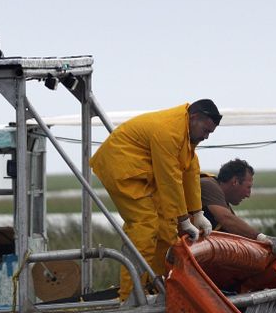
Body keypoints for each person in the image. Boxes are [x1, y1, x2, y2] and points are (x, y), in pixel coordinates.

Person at [90, 99, 221, 300]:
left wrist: (198, 213)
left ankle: (156, 285)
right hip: (122, 168)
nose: (206, 136)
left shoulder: (185, 135)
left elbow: (189, 171)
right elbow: (169, 179)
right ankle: (130, 295)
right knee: (145, 225)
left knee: (167, 228)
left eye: (209, 133)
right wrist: (184, 220)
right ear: (194, 118)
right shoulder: (169, 132)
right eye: (205, 130)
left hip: (143, 171)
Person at [200, 158, 276, 254]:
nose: (248, 195)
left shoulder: (226, 208)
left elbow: (235, 233)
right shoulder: (208, 184)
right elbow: (226, 219)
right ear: (235, 182)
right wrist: (262, 238)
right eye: (248, 187)